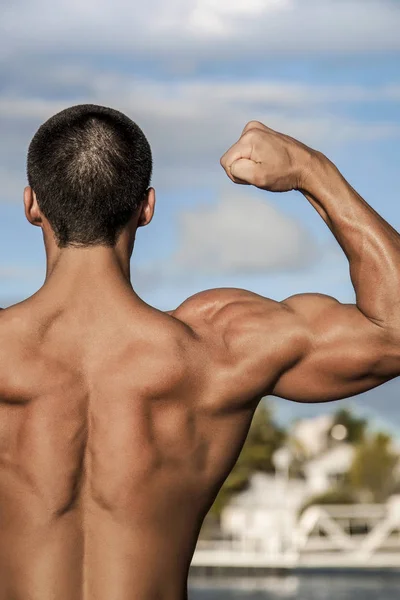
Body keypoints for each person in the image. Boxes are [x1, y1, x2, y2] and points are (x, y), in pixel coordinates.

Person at [0, 104, 399, 600]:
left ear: (31, 204)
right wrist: (310, 169)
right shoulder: (216, 353)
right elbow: (393, 331)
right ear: (146, 208)